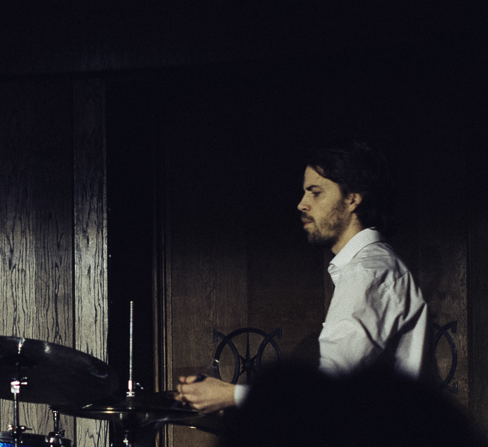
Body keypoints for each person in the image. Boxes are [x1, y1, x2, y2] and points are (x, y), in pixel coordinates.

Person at [175, 142, 429, 412]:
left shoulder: (366, 272)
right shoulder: (374, 266)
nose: (301, 204)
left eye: (315, 193)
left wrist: (231, 395)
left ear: (353, 198)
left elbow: (328, 390)